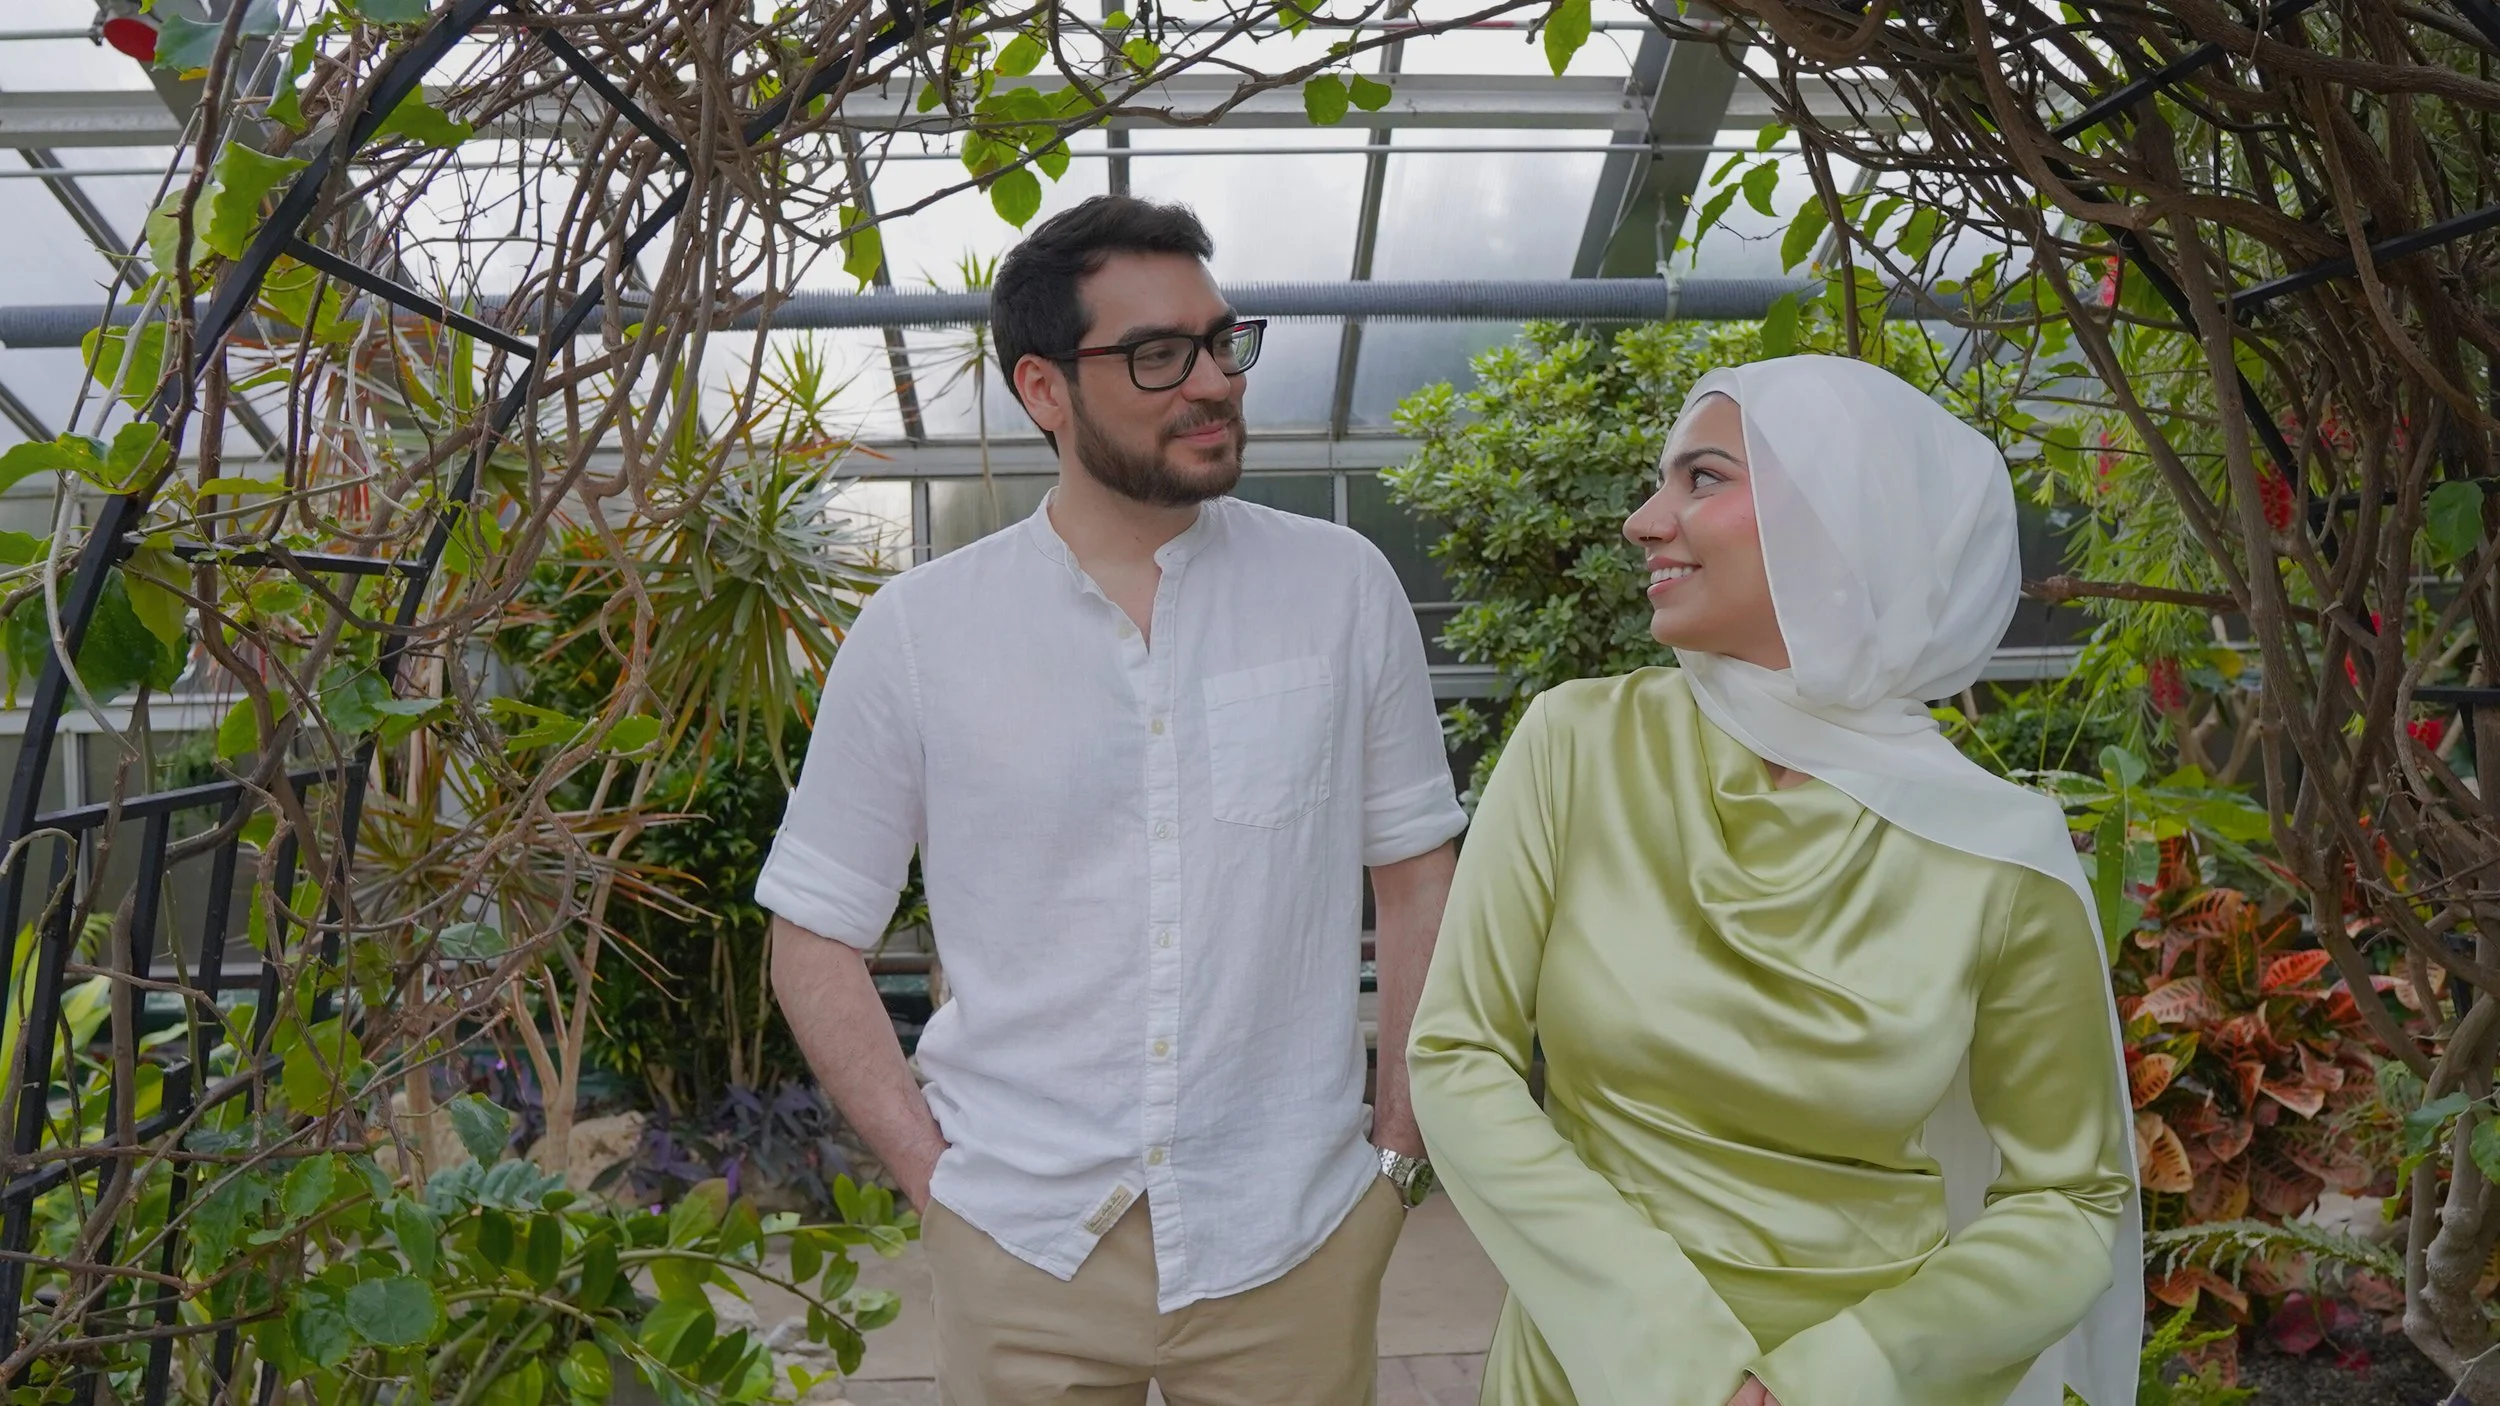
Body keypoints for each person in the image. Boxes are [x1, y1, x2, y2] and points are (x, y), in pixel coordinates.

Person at [757, 194, 1466, 1406]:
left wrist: (1396, 1158)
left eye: (1222, 341)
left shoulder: (1340, 587)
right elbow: (813, 932)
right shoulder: (921, 632)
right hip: (1022, 1241)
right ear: (1043, 388)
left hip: (1290, 1233)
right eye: (1156, 354)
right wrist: (935, 1183)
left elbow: (1417, 880)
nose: (1213, 381)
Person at [1407, 355, 2141, 1406]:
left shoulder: (1993, 849)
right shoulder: (1578, 744)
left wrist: (1844, 1374)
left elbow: (2068, 1201)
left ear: (1845, 521)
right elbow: (1455, 1055)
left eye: (1702, 477)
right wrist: (1673, 1358)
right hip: (1589, 1370)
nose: (1644, 522)